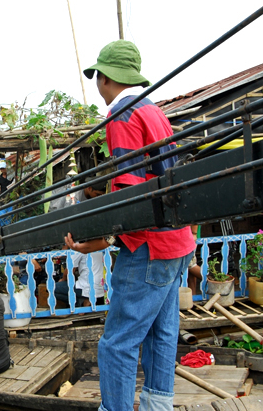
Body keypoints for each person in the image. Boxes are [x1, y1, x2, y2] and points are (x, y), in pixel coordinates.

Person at [65, 40, 196, 411]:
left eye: (97, 77)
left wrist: (98, 232)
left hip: (146, 247)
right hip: (177, 242)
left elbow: (130, 192)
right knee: (161, 334)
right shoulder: (153, 110)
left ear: (104, 77)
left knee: (117, 343)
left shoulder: (121, 115)